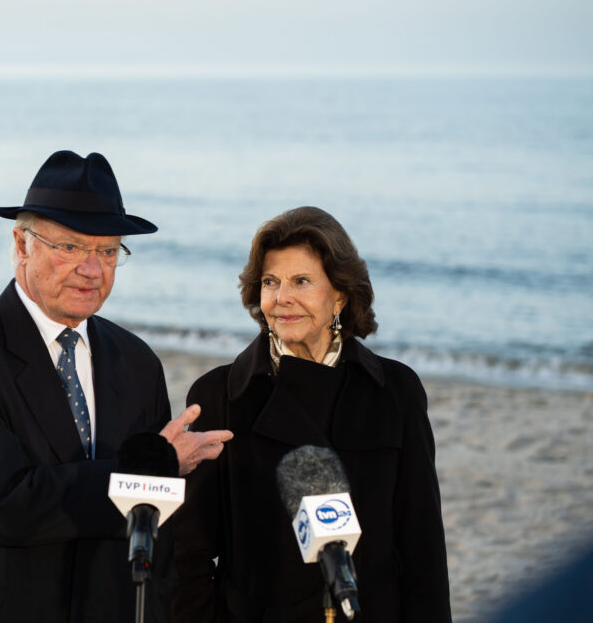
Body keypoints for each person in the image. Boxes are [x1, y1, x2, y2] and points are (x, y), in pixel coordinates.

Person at [0, 150, 234, 623]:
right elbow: (7, 506)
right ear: (22, 245)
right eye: (71, 247)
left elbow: (156, 532)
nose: (92, 270)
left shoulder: (137, 361)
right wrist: (154, 466)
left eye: (108, 251)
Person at [172, 206, 451, 622]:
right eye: (270, 282)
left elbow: (422, 545)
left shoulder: (397, 391)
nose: (282, 298)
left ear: (340, 293)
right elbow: (188, 551)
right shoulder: (219, 396)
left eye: (301, 281)